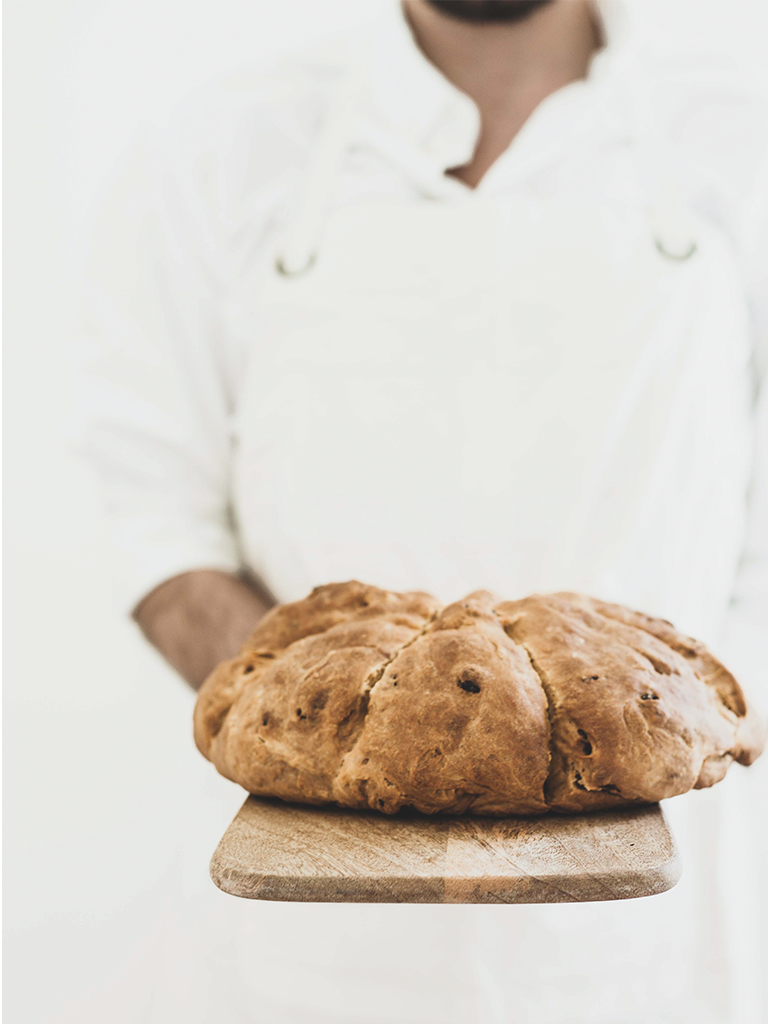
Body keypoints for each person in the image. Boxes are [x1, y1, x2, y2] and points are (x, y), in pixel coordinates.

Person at [80, 1, 768, 1021]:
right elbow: (151, 515)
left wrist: (656, 722)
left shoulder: (739, 137)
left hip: (643, 946)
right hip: (298, 945)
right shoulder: (219, 147)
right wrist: (328, 727)